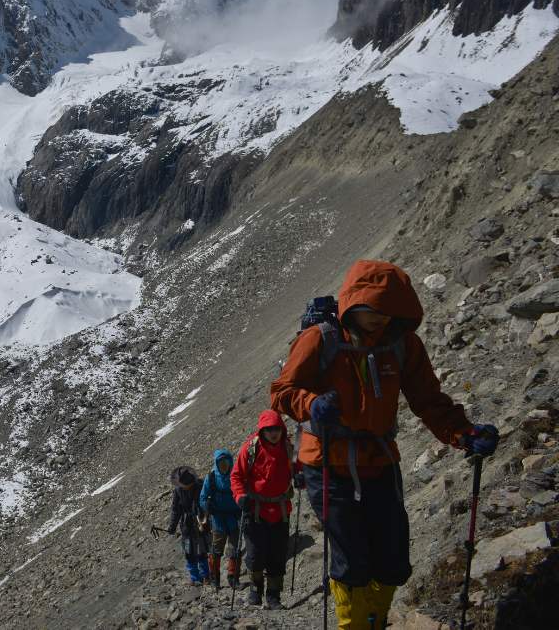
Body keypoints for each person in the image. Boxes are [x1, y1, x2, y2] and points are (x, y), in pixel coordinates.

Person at [271, 260, 500, 628]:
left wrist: (463, 434)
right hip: (328, 464)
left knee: (393, 561)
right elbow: (281, 392)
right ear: (354, 304)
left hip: (379, 459)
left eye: (389, 313)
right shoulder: (321, 339)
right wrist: (311, 404)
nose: (382, 320)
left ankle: (373, 620)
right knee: (351, 562)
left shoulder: (403, 344)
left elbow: (428, 400)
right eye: (374, 312)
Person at [231, 410, 297, 609]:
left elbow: (299, 467)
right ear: (262, 430)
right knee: (255, 555)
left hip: (280, 511)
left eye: (276, 429)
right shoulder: (250, 449)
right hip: (255, 511)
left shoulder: (288, 448)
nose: (273, 433)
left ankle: (274, 596)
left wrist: (302, 476)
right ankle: (255, 590)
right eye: (269, 430)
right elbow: (236, 477)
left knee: (277, 555)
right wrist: (240, 496)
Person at [158, 465, 211, 585]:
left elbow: (207, 502)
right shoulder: (178, 491)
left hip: (201, 522)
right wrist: (172, 526)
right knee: (189, 552)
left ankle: (206, 576)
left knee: (202, 550)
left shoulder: (200, 485)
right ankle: (195, 578)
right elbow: (176, 510)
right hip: (187, 525)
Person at [199, 448, 242, 590]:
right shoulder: (211, 478)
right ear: (216, 463)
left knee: (235, 548)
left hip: (234, 517)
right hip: (218, 519)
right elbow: (203, 497)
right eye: (221, 462)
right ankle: (214, 578)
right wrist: (207, 506)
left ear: (230, 461)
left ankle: (233, 577)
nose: (224, 465)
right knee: (216, 550)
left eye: (226, 462)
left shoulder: (236, 475)